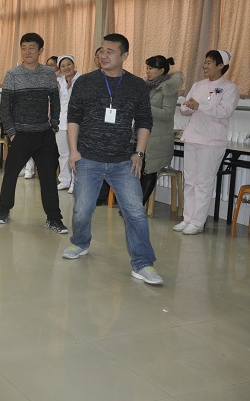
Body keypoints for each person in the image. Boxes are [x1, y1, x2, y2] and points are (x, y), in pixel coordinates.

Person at [62, 33, 163, 285]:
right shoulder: (85, 82)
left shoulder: (137, 85)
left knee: (135, 212)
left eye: (110, 51)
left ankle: (143, 263)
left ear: (124, 56)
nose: (103, 55)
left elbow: (144, 121)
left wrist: (139, 153)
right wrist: (74, 151)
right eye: (101, 51)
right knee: (82, 209)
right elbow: (73, 117)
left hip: (123, 161)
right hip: (88, 157)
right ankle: (80, 242)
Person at [0, 32, 65, 233]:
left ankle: (54, 218)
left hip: (44, 134)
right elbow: (5, 107)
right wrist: (11, 132)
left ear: (40, 50)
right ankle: (3, 210)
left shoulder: (48, 73)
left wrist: (54, 124)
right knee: (10, 175)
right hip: (21, 134)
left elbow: (55, 101)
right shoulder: (13, 74)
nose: (27, 52)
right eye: (24, 48)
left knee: (48, 178)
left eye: (32, 48)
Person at [176, 50, 239, 235]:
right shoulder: (198, 85)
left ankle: (198, 222)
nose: (205, 66)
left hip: (212, 141)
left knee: (203, 182)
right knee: (190, 180)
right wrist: (188, 106)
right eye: (205, 62)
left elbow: (225, 111)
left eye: (209, 62)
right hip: (192, 137)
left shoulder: (229, 88)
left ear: (220, 66)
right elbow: (184, 109)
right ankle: (187, 218)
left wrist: (199, 106)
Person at [141, 55, 183, 206]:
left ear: (161, 70)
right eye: (147, 68)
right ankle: (134, 205)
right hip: (143, 134)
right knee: (139, 169)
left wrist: (145, 106)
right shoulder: (147, 86)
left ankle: (139, 206)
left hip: (157, 137)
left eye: (151, 68)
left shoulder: (168, 89)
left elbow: (167, 113)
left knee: (150, 171)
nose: (147, 71)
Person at [56, 54, 81, 192]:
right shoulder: (58, 81)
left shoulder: (81, 79)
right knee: (63, 153)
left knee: (74, 153)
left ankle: (74, 182)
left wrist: (71, 88)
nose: (66, 68)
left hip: (76, 122)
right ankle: (64, 180)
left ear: (74, 64)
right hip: (61, 122)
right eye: (63, 66)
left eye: (68, 64)